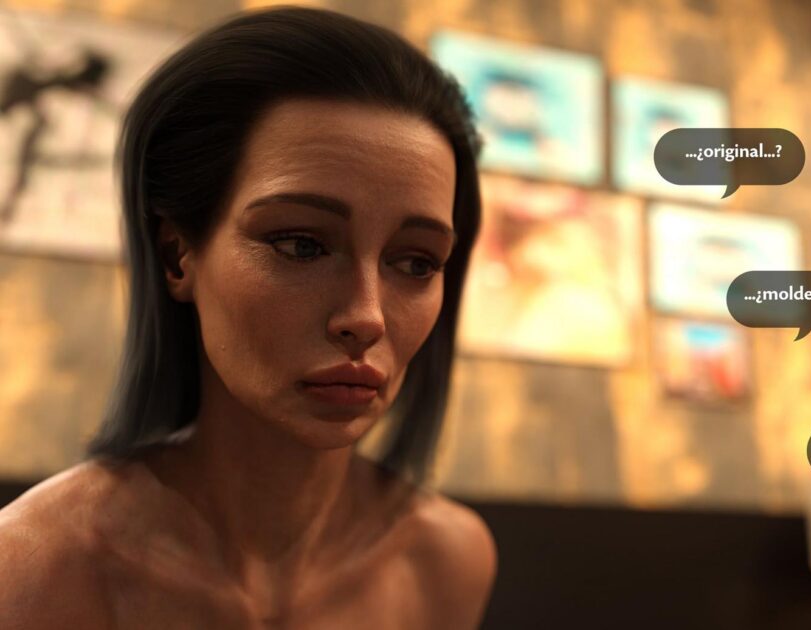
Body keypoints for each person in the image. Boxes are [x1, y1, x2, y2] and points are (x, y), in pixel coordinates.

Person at [0, 7, 496, 628]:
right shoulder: (38, 572)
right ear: (178, 256)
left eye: (417, 262)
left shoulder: (443, 561)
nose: (366, 317)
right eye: (301, 245)